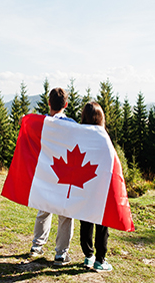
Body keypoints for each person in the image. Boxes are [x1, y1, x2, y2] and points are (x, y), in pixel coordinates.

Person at [29, 87, 75, 266]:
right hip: (65, 174)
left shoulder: (43, 122)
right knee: (65, 214)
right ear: (66, 104)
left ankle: (36, 246)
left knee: (43, 209)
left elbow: (24, 124)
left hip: (47, 173)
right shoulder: (72, 124)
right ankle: (60, 254)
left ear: (48, 103)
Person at [79, 101, 113, 272]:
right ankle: (100, 260)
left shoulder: (79, 133)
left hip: (83, 183)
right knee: (102, 223)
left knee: (85, 219)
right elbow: (111, 160)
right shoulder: (103, 135)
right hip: (101, 185)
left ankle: (88, 256)